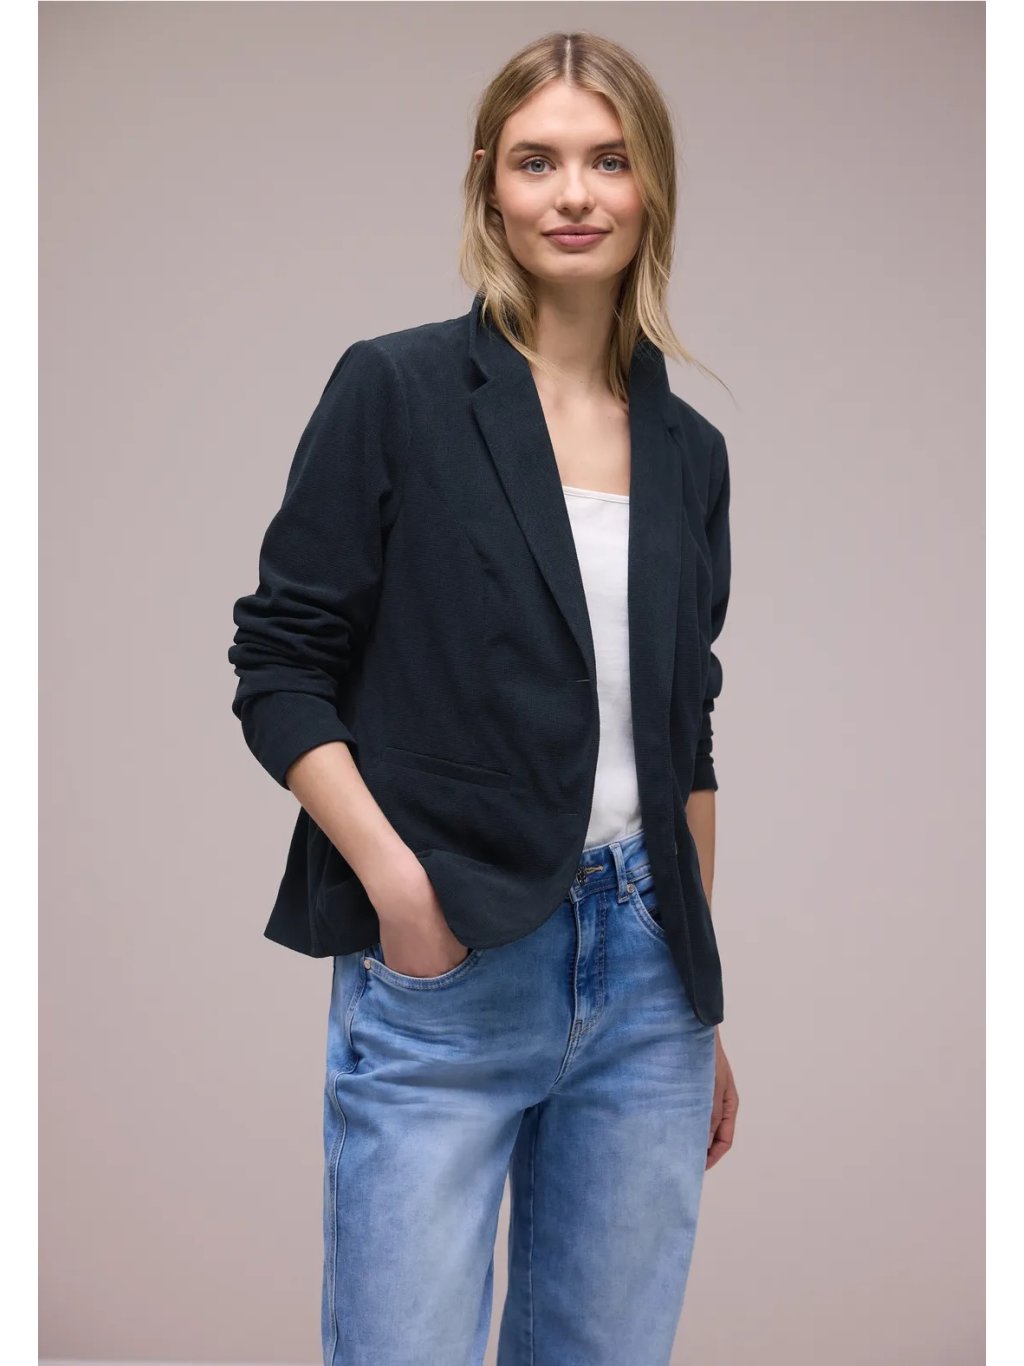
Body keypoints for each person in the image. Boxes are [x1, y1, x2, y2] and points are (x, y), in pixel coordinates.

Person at [229, 30, 739, 1366]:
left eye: (608, 161)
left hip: (649, 978)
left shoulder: (689, 450)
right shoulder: (397, 391)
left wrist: (697, 988)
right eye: (537, 161)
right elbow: (280, 664)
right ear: (489, 186)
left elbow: (685, 733)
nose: (574, 194)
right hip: (450, 953)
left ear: (651, 187)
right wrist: (401, 893)